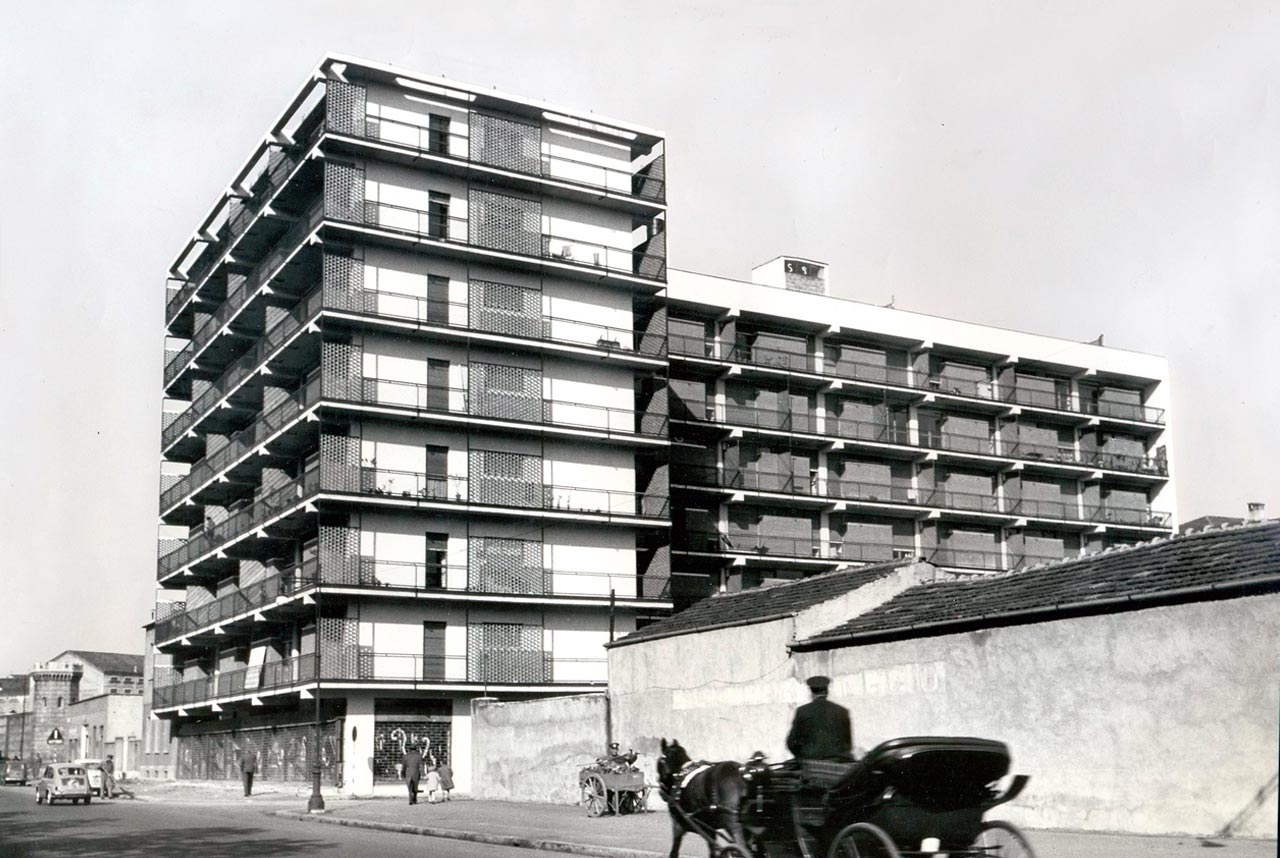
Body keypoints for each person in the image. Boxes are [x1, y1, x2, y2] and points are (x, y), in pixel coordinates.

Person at [786, 675, 853, 761]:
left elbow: (792, 743)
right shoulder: (842, 711)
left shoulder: (802, 711)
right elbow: (848, 743)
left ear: (811, 692)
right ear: (827, 691)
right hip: (840, 763)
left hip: (812, 764)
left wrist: (802, 756)